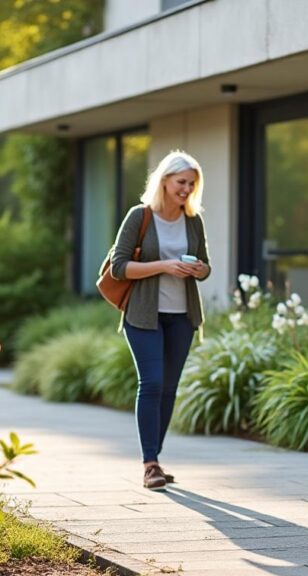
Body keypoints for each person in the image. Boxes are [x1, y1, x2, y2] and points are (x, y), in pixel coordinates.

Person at [110, 150, 211, 491]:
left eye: (191, 184)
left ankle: (157, 457)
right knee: (151, 384)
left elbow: (206, 266)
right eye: (181, 182)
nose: (186, 189)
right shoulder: (140, 217)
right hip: (144, 315)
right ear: (164, 180)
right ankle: (149, 463)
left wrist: (198, 269)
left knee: (169, 389)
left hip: (182, 316)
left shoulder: (193, 220)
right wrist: (164, 266)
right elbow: (119, 267)